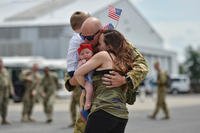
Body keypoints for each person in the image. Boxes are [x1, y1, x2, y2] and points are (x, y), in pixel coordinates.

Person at [65, 17, 148, 133]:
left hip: (106, 107)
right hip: (89, 104)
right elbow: (70, 81)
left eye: (89, 38)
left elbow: (142, 66)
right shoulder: (83, 47)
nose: (86, 41)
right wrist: (81, 78)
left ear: (100, 32)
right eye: (83, 37)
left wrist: (124, 79)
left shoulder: (115, 42)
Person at [74, 29, 140, 133]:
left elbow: (78, 73)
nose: (98, 46)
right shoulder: (125, 63)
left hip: (103, 111)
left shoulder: (104, 55)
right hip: (121, 115)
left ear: (109, 46)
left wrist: (86, 85)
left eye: (100, 43)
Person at [66, 11, 90, 128]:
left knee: (85, 91)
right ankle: (85, 111)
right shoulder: (80, 38)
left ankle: (84, 111)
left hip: (75, 69)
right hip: (76, 70)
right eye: (88, 21)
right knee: (86, 89)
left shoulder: (78, 37)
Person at [77, 43, 94, 120]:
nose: (85, 55)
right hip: (87, 80)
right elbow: (78, 71)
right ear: (79, 56)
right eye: (82, 54)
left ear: (92, 53)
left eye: (87, 52)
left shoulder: (95, 59)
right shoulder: (81, 62)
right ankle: (88, 102)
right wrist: (82, 64)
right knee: (88, 90)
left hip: (94, 79)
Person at [0, 58, 14, 125]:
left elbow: (9, 81)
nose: (1, 64)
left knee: (5, 105)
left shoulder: (5, 71)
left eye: (1, 62)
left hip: (6, 91)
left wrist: (11, 90)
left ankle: (4, 119)